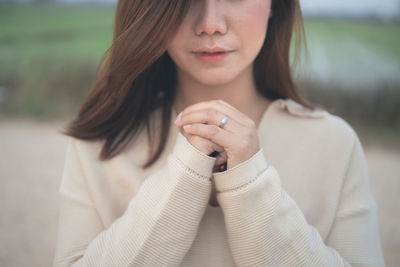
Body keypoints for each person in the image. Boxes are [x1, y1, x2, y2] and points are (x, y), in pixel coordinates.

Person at [53, 0, 385, 266]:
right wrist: (185, 173)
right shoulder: (99, 142)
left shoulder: (334, 143)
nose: (210, 23)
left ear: (276, 6)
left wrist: (250, 183)